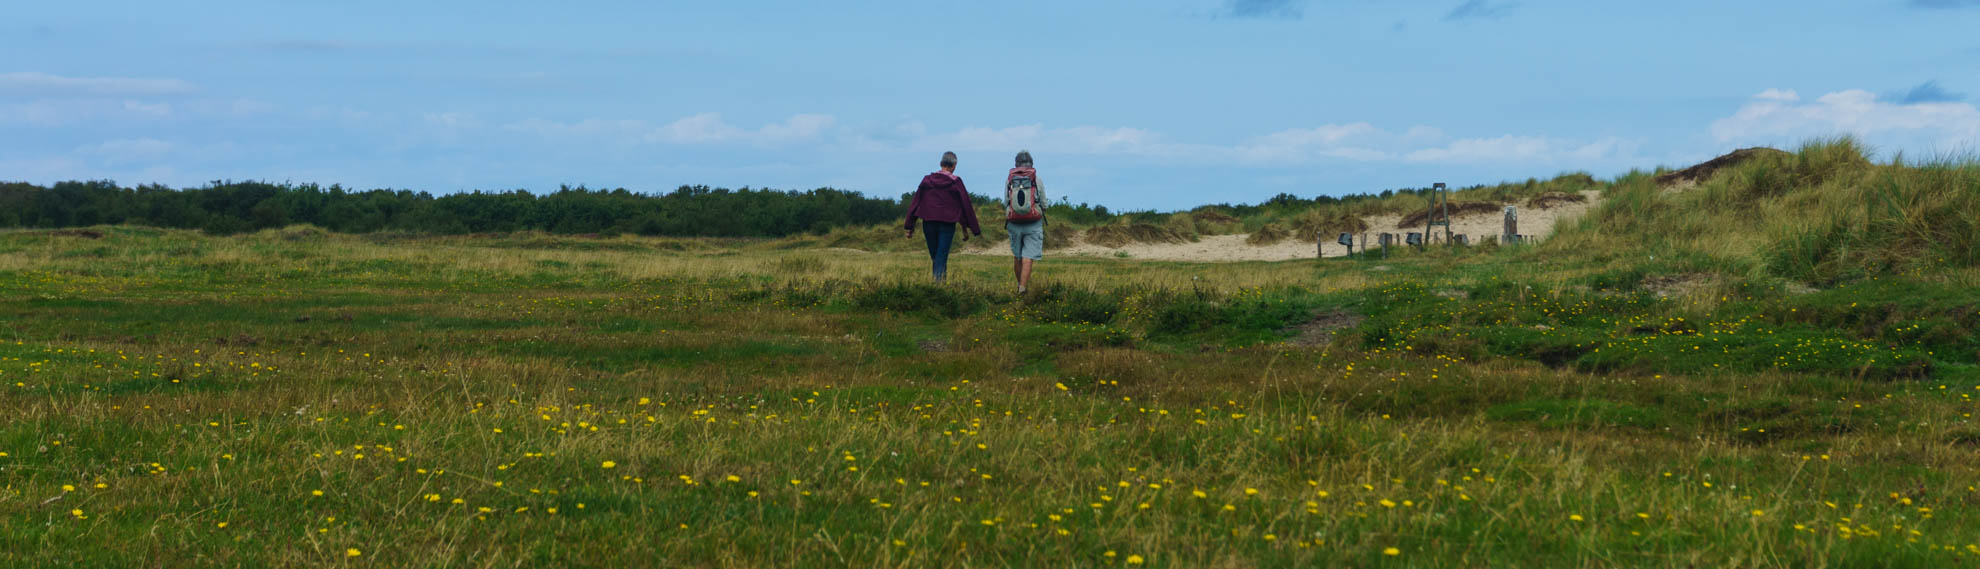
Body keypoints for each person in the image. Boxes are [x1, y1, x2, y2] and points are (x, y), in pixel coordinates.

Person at [903, 151, 981, 282]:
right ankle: (939, 284)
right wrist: (973, 228)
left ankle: (939, 284)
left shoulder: (927, 180)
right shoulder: (956, 182)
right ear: (954, 165)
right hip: (947, 223)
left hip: (928, 223)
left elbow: (916, 202)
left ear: (940, 164)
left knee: (936, 256)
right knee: (941, 255)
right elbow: (965, 205)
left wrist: (909, 226)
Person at [1003, 150, 1045, 294]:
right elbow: (1044, 203)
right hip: (1033, 222)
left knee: (1018, 257)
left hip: (1014, 223)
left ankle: (1020, 284)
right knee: (1028, 257)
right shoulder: (1036, 179)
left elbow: (1006, 201)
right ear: (1031, 164)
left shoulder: (1010, 179)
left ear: (1016, 164)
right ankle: (1022, 287)